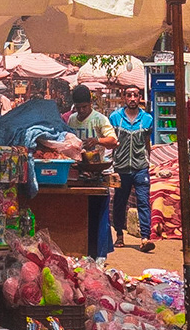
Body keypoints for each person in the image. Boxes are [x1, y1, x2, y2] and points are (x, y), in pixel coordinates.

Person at [110, 87, 156, 252]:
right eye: (129, 95)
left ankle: (145, 238)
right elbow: (111, 142)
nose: (132, 98)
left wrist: (148, 161)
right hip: (121, 168)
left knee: (143, 202)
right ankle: (119, 235)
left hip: (140, 168)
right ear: (124, 98)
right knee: (119, 203)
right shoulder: (115, 118)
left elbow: (146, 143)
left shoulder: (147, 119)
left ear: (139, 98)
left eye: (135, 95)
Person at [63, 85, 117, 151]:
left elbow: (113, 141)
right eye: (78, 107)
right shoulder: (72, 119)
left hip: (96, 160)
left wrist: (97, 141)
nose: (81, 110)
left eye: (84, 107)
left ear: (90, 103)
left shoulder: (100, 119)